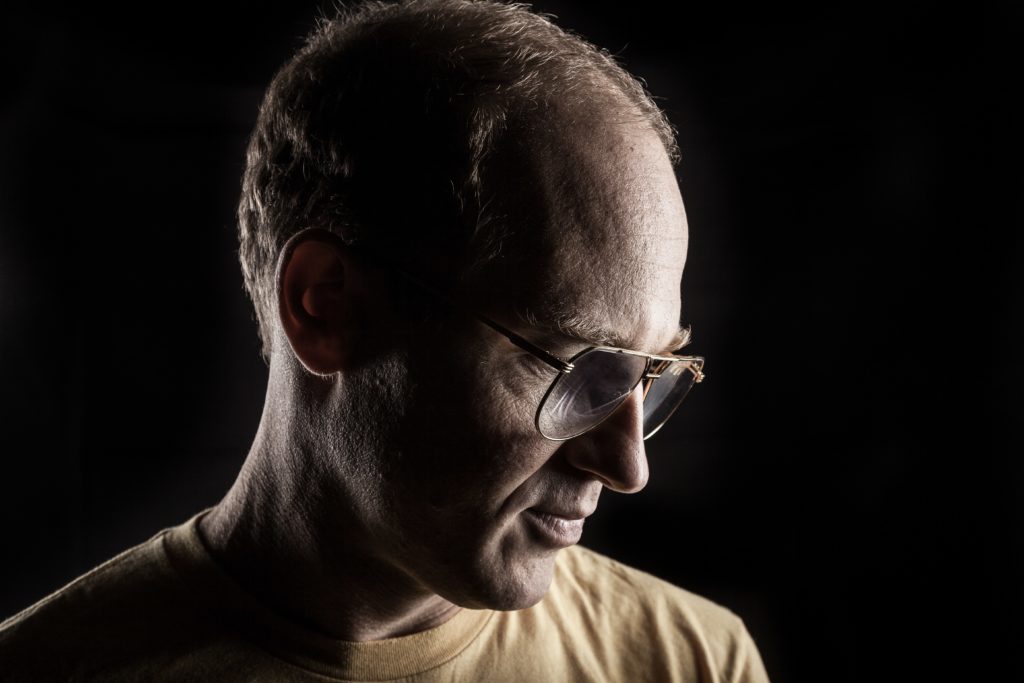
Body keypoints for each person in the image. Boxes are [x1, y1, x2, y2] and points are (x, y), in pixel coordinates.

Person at [0, 1, 770, 680]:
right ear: (325, 308)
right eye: (576, 365)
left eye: (648, 371)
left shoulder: (692, 661)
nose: (629, 467)